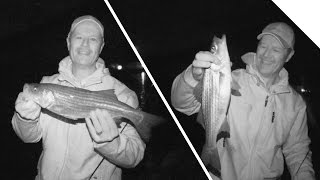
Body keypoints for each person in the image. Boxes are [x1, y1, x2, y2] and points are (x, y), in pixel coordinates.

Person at [171, 22, 315, 179]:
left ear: (288, 56)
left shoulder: (295, 103)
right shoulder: (231, 79)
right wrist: (193, 76)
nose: (266, 54)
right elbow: (181, 104)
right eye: (263, 46)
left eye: (275, 50)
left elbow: (298, 150)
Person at [12, 15, 145, 180]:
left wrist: (112, 144)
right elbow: (28, 137)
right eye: (79, 37)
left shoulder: (123, 95)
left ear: (101, 46)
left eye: (93, 39)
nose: (85, 44)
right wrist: (25, 119)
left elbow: (135, 157)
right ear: (68, 42)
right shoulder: (47, 82)